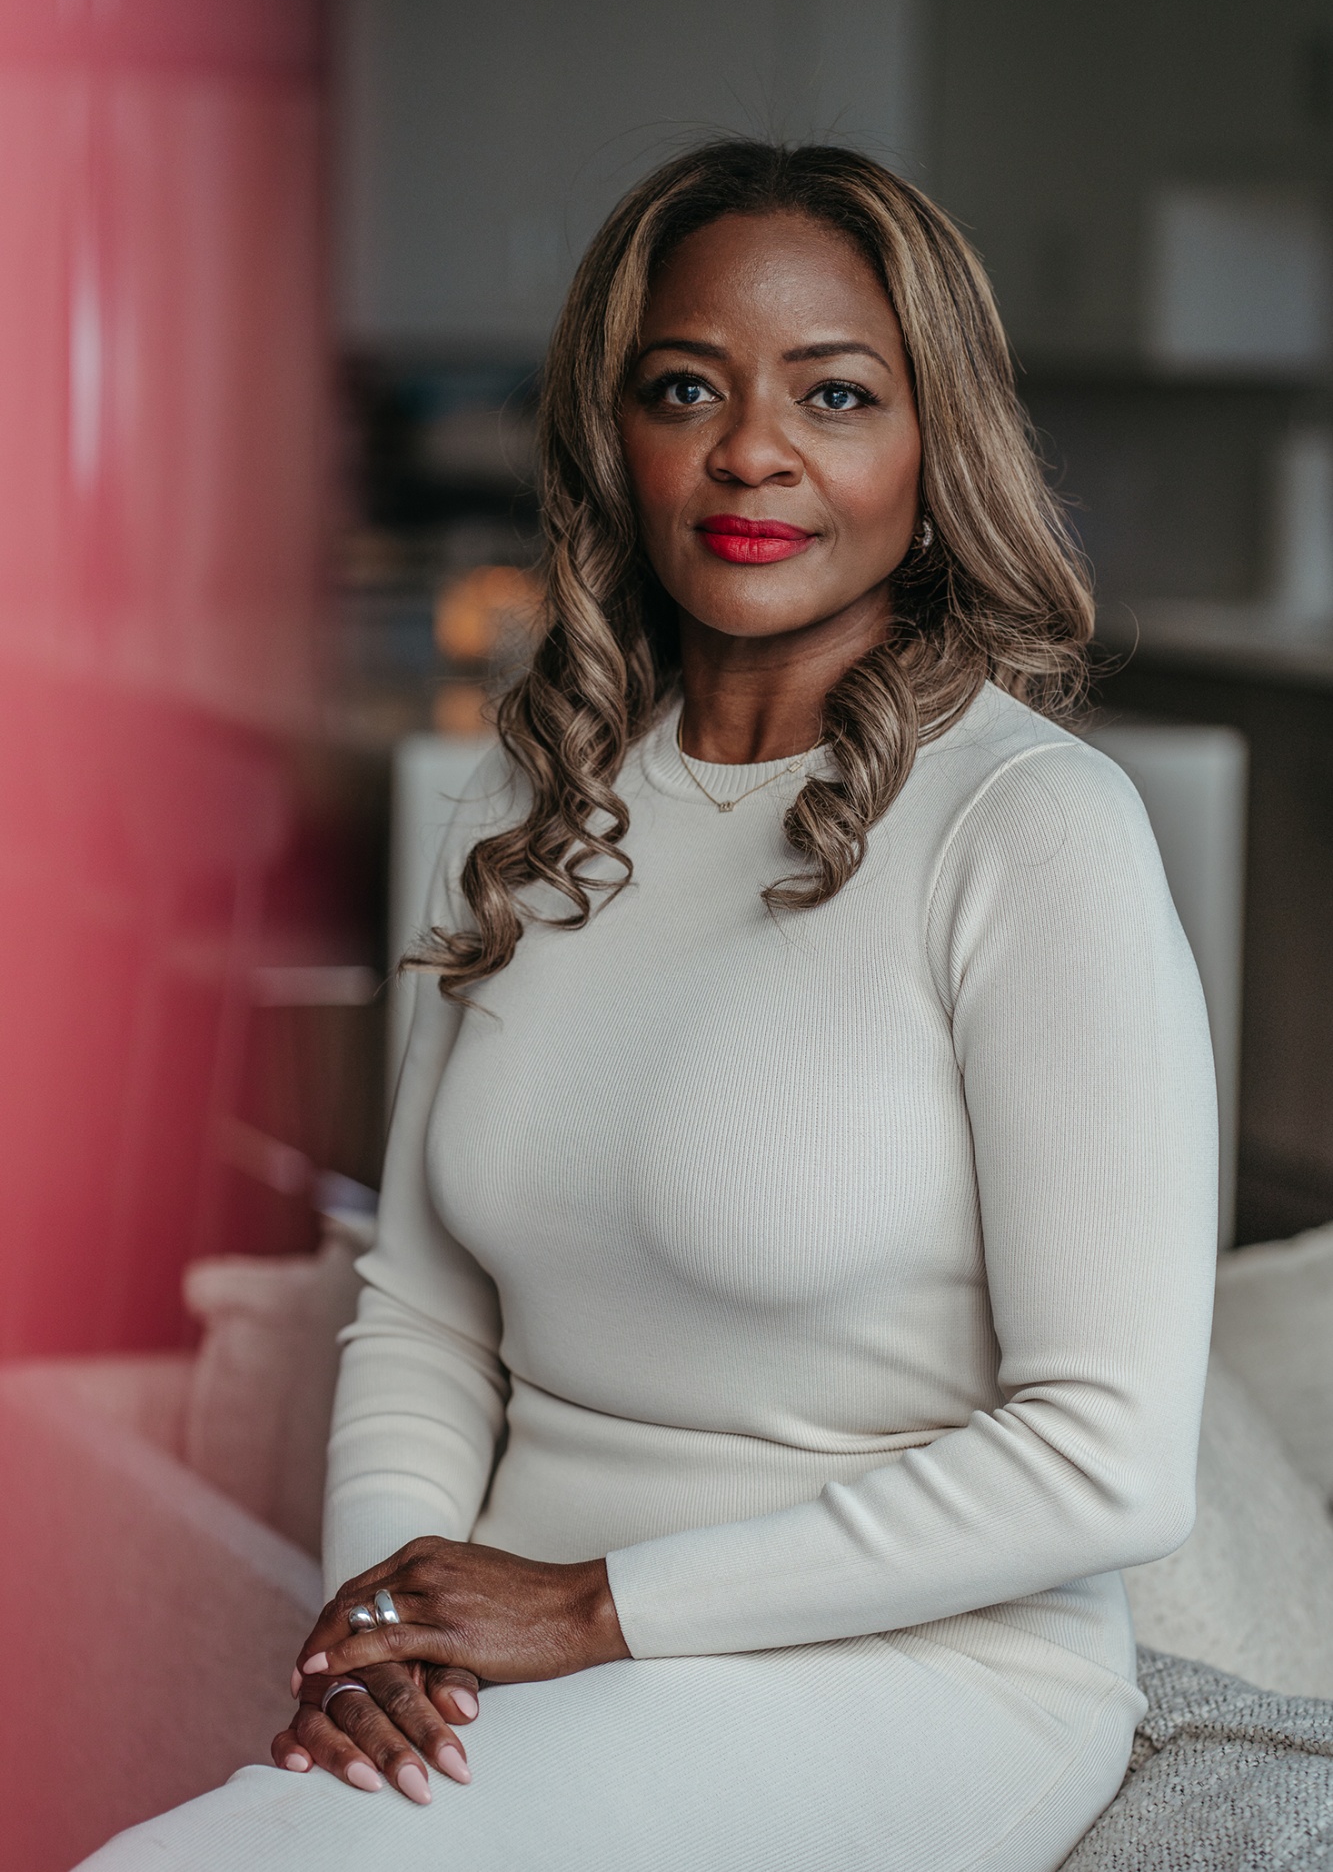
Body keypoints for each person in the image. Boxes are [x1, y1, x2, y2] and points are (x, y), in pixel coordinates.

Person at [83, 140, 1217, 1872]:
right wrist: (383, 1624)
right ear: (612, 438)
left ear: (935, 446)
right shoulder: (533, 802)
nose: (751, 450)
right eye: (684, 387)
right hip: (524, 1665)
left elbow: (1106, 1457)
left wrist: (592, 1608)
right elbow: (421, 1313)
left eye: (834, 395)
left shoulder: (1031, 829)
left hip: (892, 1683)